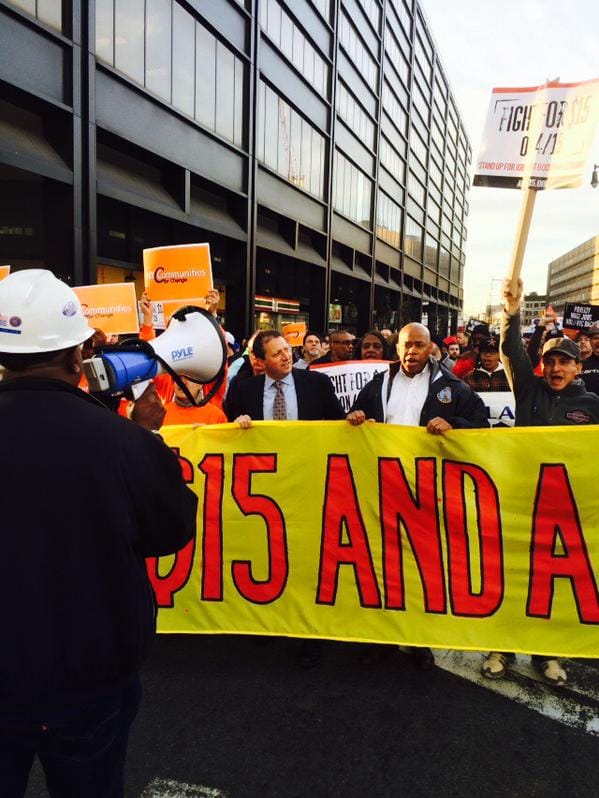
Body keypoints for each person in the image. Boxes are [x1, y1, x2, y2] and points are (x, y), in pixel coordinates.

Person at [0, 269, 198, 797]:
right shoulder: (126, 443)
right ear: (76, 354)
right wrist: (147, 441)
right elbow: (171, 531)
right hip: (89, 675)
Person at [347, 322, 488, 670]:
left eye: (419, 346)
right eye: (406, 345)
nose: (412, 352)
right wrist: (355, 417)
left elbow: (482, 425)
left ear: (431, 350)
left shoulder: (452, 387)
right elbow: (352, 416)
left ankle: (419, 638)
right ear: (397, 348)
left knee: (422, 568)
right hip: (384, 487)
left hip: (428, 490)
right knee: (381, 566)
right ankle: (381, 637)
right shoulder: (379, 383)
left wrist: (455, 425)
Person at [481, 278, 599, 688]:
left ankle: (547, 654)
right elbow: (510, 352)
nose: (556, 368)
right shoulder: (528, 390)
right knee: (511, 576)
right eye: (550, 361)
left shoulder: (592, 407)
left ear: (578, 368)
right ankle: (502, 646)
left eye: (564, 362)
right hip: (521, 502)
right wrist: (511, 313)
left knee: (552, 585)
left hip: (566, 511)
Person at [224, 328, 344, 425]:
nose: (286, 357)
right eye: (277, 354)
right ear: (261, 362)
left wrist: (352, 418)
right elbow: (230, 431)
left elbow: (339, 423)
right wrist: (238, 424)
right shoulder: (244, 390)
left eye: (287, 349)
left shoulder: (318, 383)